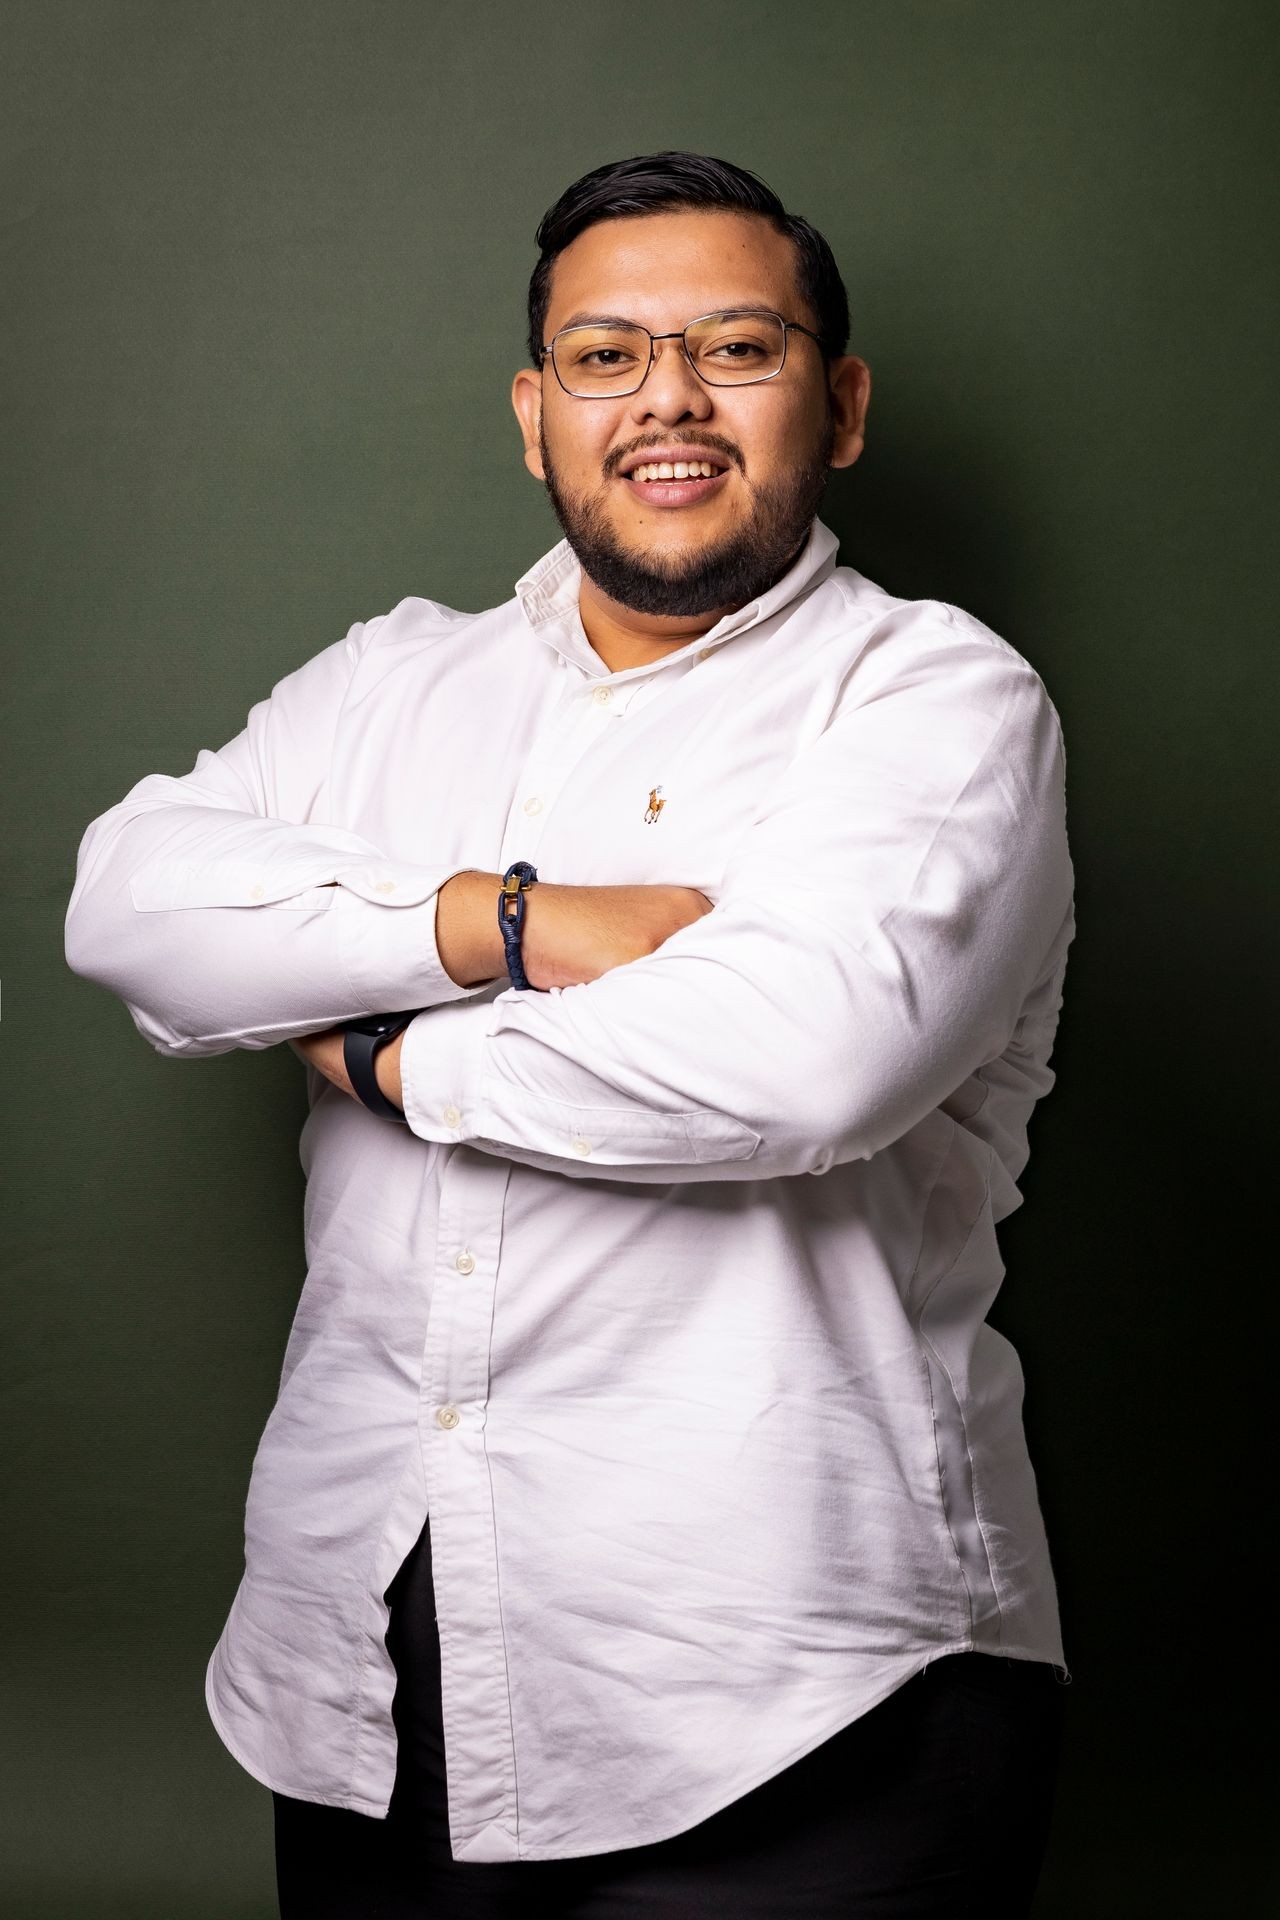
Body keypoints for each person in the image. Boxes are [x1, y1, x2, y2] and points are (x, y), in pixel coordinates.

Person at [64, 150, 1075, 1917]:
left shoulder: (935, 700)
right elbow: (131, 905)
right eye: (606, 356)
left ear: (837, 404)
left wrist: (382, 1049)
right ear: (537, 416)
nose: (666, 400)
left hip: (795, 1680)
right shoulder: (395, 678)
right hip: (369, 1666)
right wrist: (497, 923)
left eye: (734, 348)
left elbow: (795, 1060)